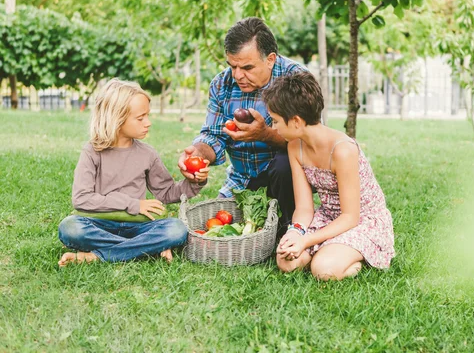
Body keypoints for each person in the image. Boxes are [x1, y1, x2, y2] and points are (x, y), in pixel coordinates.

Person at [58, 79, 209, 266]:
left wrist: (194, 181)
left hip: (140, 226)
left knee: (176, 229)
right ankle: (147, 248)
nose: (148, 122)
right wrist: (133, 204)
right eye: (140, 118)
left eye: (147, 115)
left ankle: (97, 255)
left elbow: (166, 192)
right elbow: (81, 198)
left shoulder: (147, 153)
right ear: (117, 119)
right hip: (99, 224)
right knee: (70, 228)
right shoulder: (92, 152)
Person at [262, 72, 396, 280]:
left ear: (296, 121)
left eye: (276, 121)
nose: (273, 127)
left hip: (361, 220)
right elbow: (305, 208)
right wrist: (295, 232)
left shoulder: (342, 150)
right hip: (328, 217)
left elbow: (350, 217)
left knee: (323, 270)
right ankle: (329, 250)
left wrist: (306, 241)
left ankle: (353, 257)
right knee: (286, 262)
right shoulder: (295, 147)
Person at [178, 17, 306, 234]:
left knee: (284, 165)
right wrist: (197, 154)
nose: (237, 75)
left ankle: (288, 226)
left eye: (247, 67)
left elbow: (308, 143)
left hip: (286, 178)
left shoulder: (296, 79)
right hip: (242, 179)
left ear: (270, 59)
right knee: (218, 228)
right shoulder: (221, 84)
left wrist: (265, 135)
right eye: (232, 66)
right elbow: (213, 136)